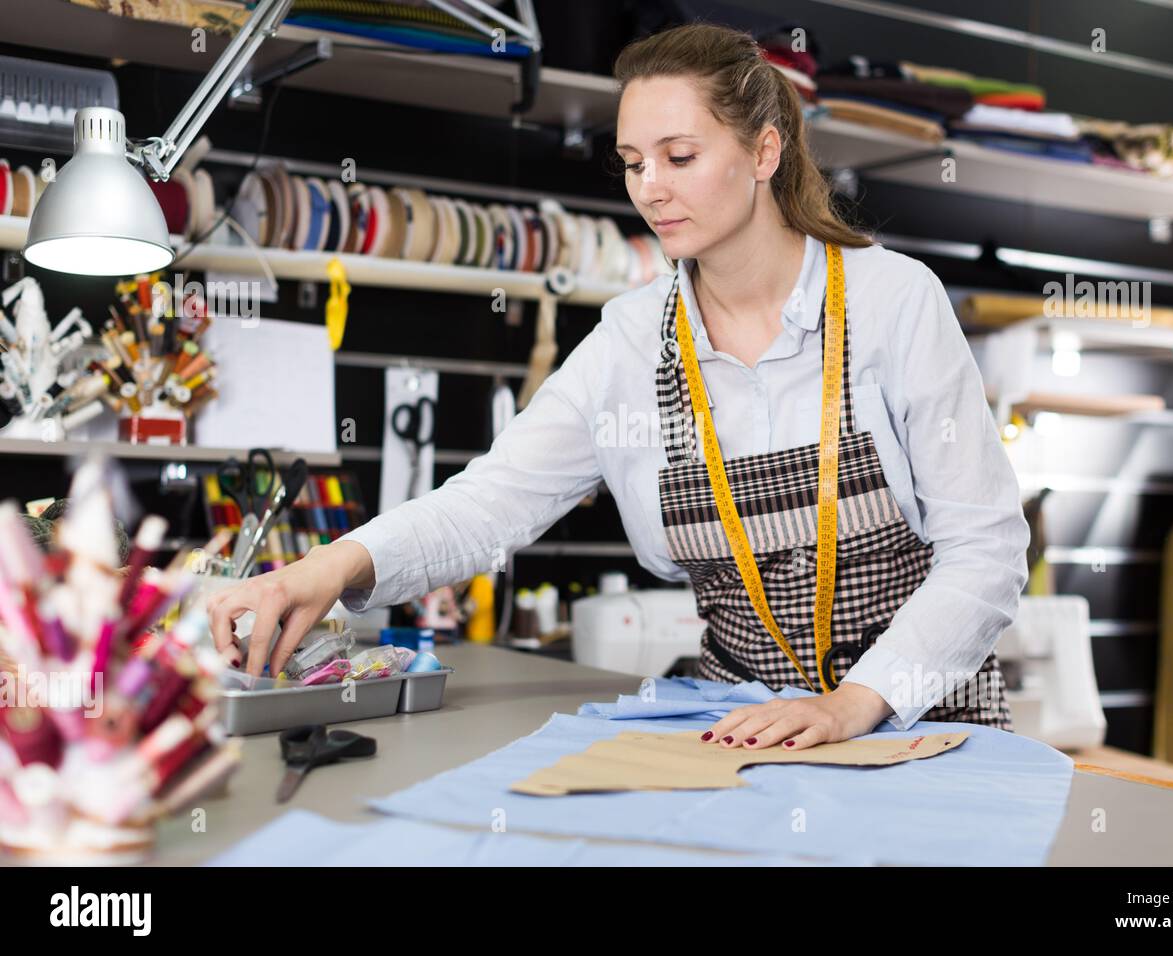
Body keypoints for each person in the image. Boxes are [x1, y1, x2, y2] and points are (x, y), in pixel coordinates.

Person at [207, 22, 1029, 751]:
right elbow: (489, 503)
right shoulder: (634, 341)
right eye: (634, 163)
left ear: (765, 152)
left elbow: (986, 549)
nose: (650, 188)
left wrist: (857, 703)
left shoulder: (892, 301)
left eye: (680, 157)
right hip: (741, 729)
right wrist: (323, 569)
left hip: (928, 724)